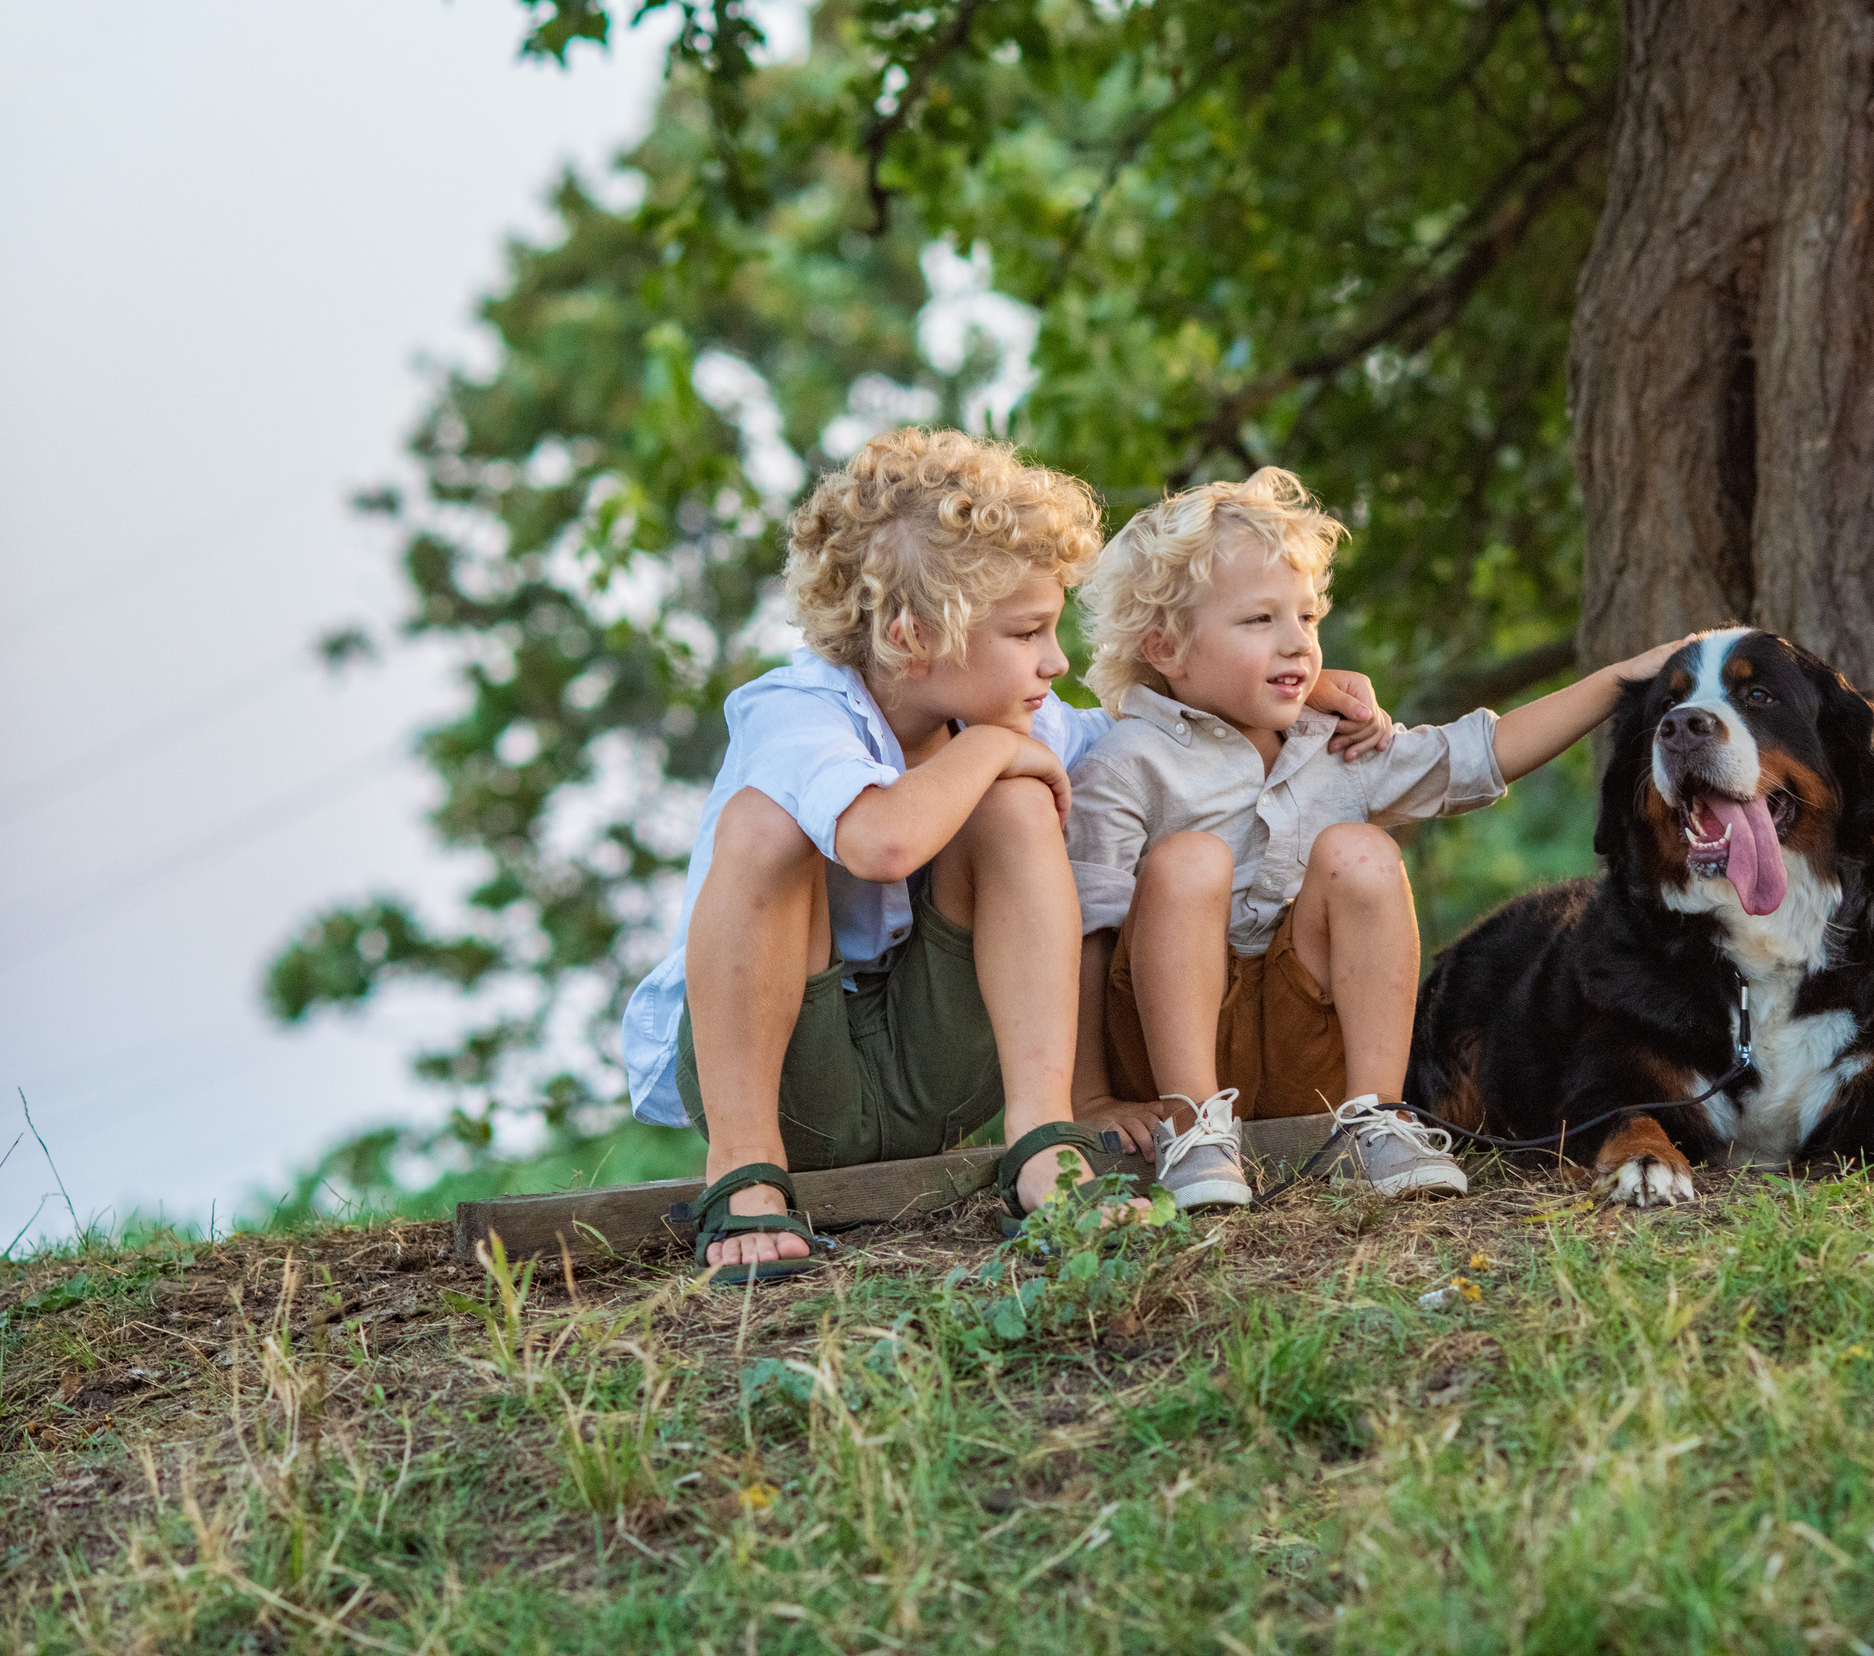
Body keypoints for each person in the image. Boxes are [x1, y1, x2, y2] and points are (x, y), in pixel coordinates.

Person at [619, 431, 1388, 1280]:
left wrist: (1291, 681)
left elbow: (1159, 733)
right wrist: (986, 748)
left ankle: (1042, 1146)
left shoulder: (1029, 715)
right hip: (794, 1082)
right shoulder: (797, 711)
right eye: (1029, 632)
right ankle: (743, 1175)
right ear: (914, 638)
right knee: (767, 823)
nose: (1056, 663)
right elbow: (878, 840)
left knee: (1022, 802)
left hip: (941, 1070)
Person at [1063, 467, 1690, 1208]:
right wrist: (1090, 1100)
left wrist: (1624, 677)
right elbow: (1083, 938)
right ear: (1166, 647)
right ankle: (1198, 1131)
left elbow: (1482, 754)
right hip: (1168, 1059)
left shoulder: (1338, 743)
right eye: (1260, 620)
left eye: (1307, 617)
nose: (1297, 643)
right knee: (1189, 861)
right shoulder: (1127, 761)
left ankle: (1374, 1118)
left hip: (1303, 1055)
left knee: (1358, 851)